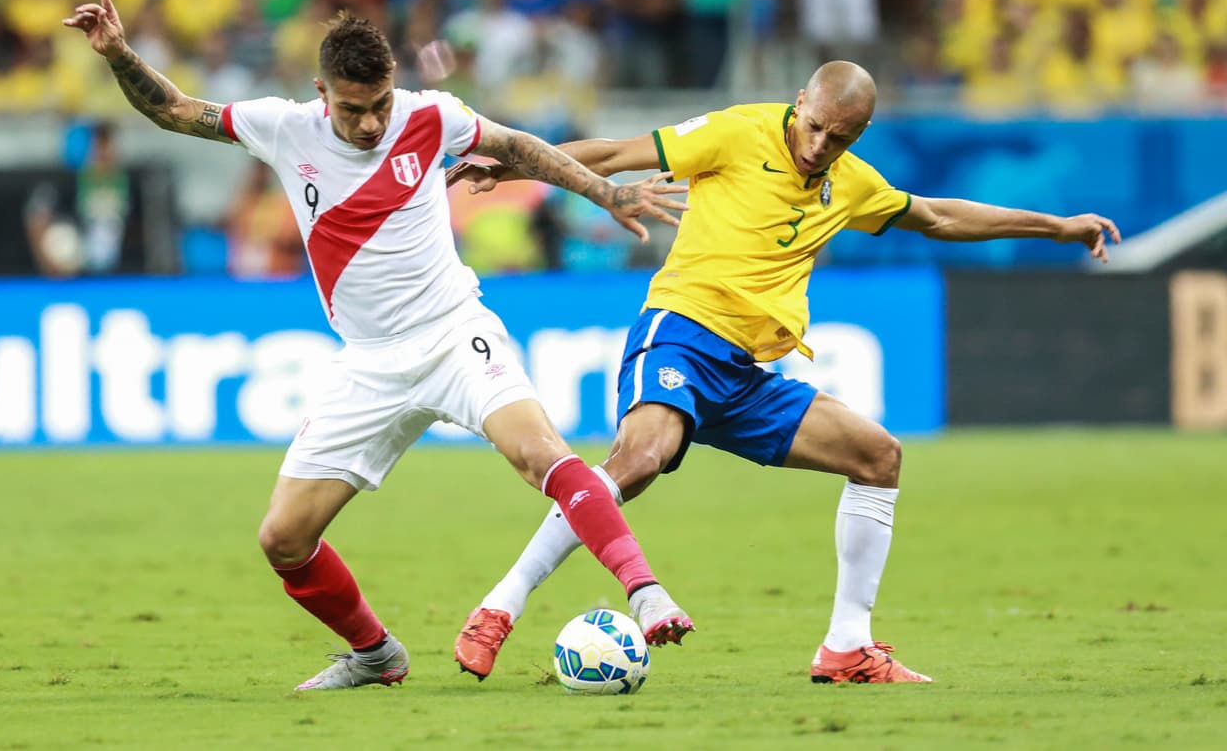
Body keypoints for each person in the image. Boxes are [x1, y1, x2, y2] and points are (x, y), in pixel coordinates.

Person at [62, 0, 695, 691]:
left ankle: (645, 593)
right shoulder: (285, 127)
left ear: (396, 85)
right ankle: (375, 654)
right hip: (367, 365)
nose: (369, 124)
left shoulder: (431, 115)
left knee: (542, 455)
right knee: (283, 539)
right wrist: (119, 55)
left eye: (380, 105)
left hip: (453, 333)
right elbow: (178, 109)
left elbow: (517, 146)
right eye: (352, 109)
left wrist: (607, 192)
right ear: (322, 93)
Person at [448, 60, 1121, 684]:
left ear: (859, 135)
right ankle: (499, 607)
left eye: (839, 137)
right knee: (640, 460)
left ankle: (847, 647)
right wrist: (508, 168)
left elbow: (939, 216)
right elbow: (616, 153)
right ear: (800, 102)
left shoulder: (852, 184)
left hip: (744, 374)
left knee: (877, 456)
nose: (819, 145)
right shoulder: (738, 132)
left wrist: (1057, 228)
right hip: (680, 332)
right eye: (815, 125)